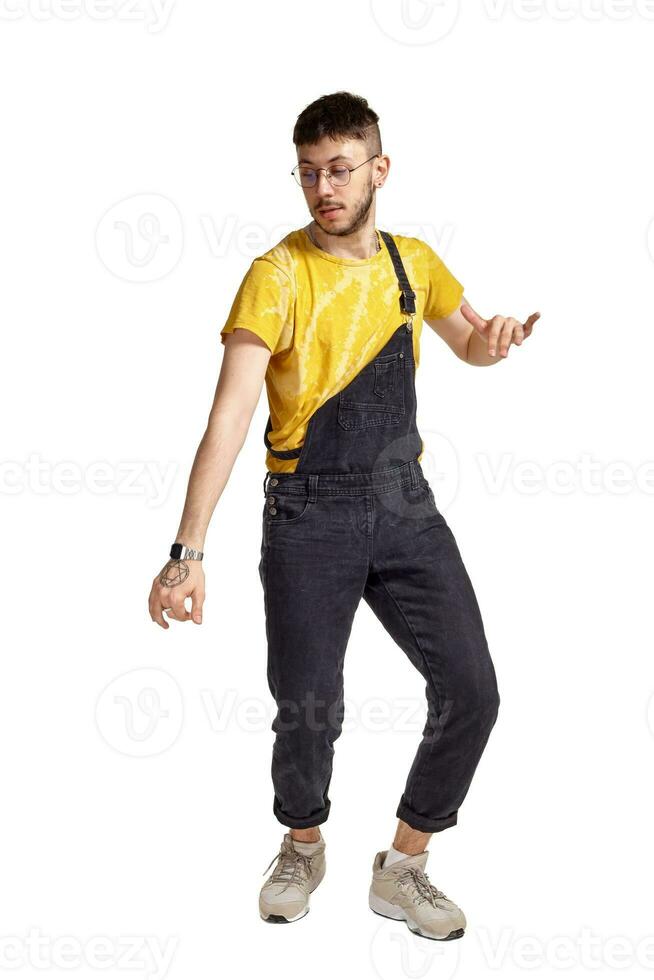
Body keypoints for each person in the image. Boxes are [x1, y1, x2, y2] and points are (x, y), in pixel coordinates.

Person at [148, 91, 540, 941]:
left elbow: (466, 338)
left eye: (339, 169)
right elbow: (229, 414)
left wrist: (494, 339)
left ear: (378, 170)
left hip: (407, 506)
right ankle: (302, 843)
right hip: (307, 514)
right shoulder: (277, 276)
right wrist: (188, 549)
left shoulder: (414, 263)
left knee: (472, 690)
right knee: (309, 703)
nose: (323, 187)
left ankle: (404, 866)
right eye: (308, 172)